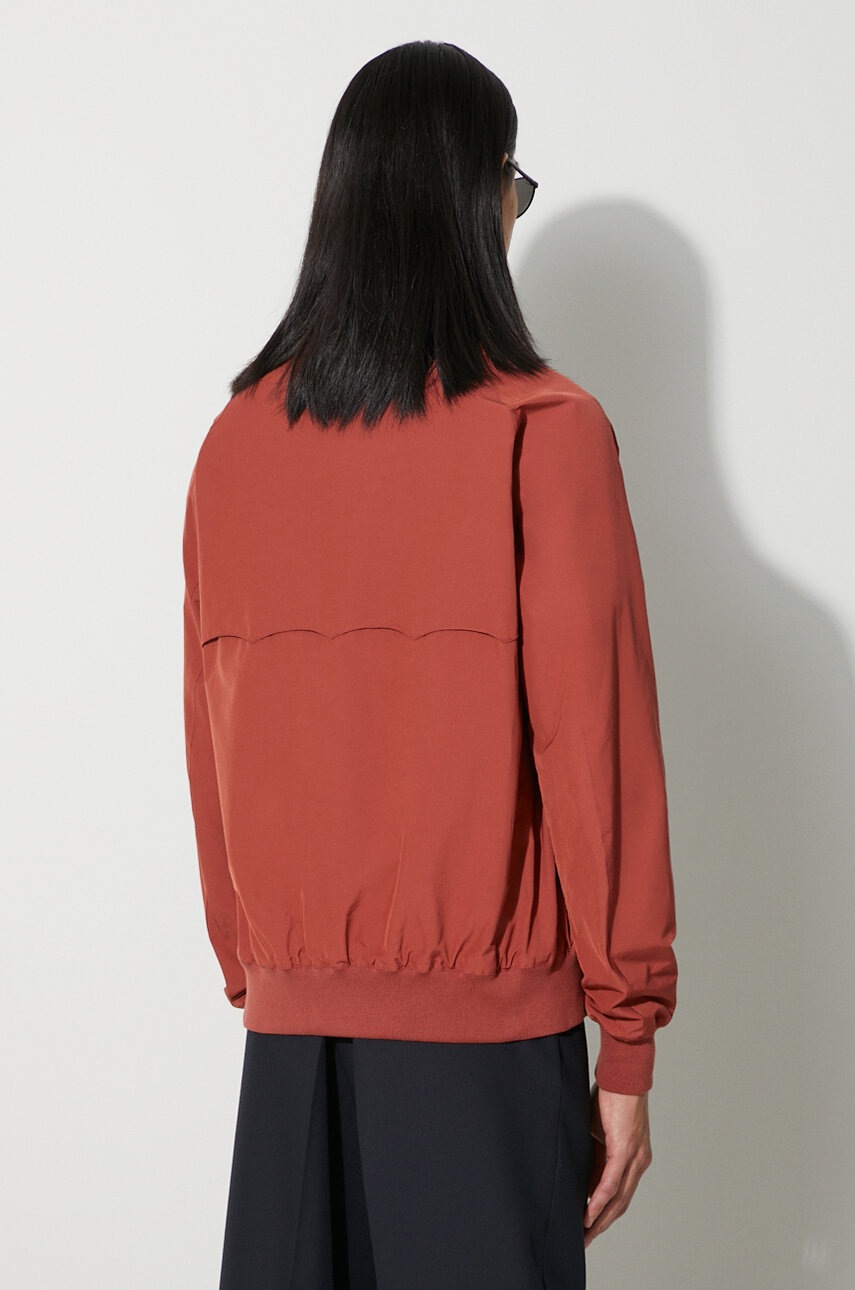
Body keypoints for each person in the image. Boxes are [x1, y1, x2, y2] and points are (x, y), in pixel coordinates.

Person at [181, 38, 678, 1290]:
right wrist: (627, 1042)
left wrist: (263, 970)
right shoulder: (544, 433)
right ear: (474, 196)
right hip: (483, 1053)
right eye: (513, 188)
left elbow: (212, 738)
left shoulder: (235, 444)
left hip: (290, 1054)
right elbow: (597, 755)